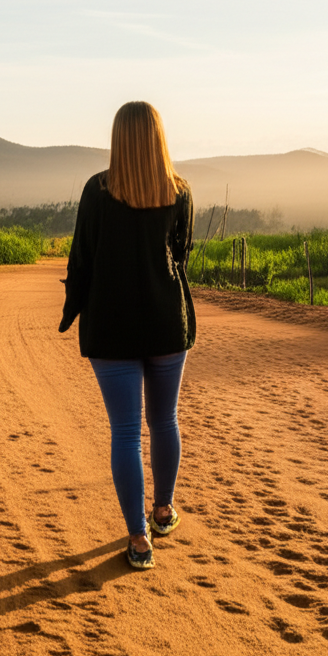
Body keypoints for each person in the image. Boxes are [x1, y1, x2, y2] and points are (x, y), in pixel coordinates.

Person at [59, 101, 196, 570]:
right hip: (165, 323)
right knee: (164, 420)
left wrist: (72, 307)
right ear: (158, 137)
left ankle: (139, 540)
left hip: (112, 325)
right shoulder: (179, 192)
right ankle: (163, 510)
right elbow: (180, 256)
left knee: (124, 432)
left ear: (118, 138)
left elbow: (83, 257)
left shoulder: (97, 192)